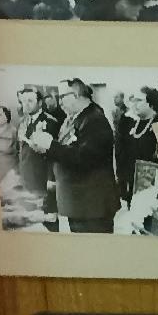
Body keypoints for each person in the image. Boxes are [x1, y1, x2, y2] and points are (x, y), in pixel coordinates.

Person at [45, 78, 118, 233]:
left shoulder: (95, 120)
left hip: (92, 206)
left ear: (76, 95)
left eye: (62, 97)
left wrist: (50, 145)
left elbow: (84, 158)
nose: (59, 102)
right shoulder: (73, 118)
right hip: (80, 203)